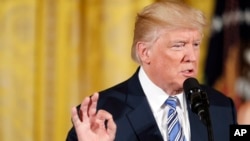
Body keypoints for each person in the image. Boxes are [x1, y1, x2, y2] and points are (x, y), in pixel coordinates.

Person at [66, 0, 237, 141]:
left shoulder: (221, 107)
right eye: (179, 45)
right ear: (145, 52)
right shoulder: (97, 118)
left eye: (196, 45)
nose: (191, 56)